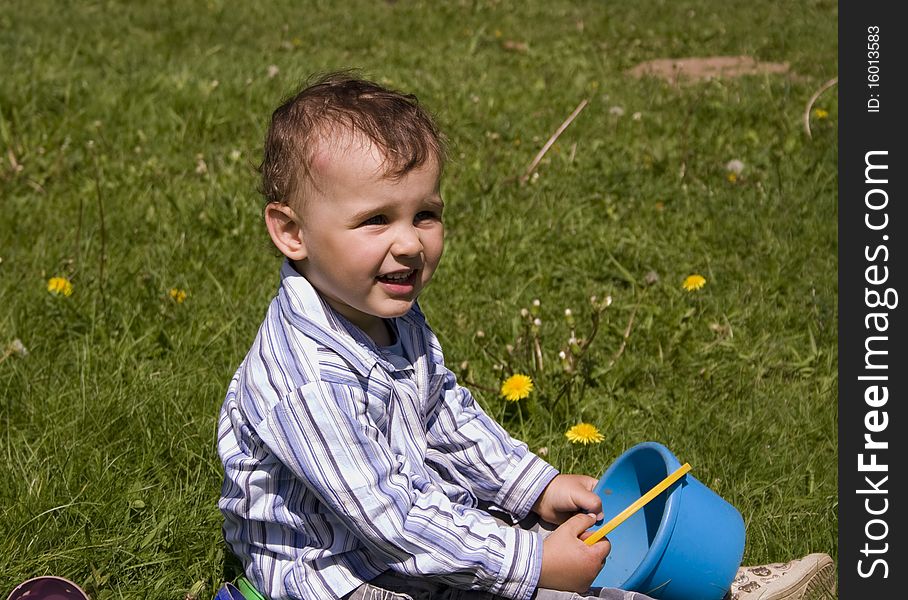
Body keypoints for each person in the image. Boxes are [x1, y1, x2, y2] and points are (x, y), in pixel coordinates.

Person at [216, 71, 836, 600]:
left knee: (578, 548)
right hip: (338, 577)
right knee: (538, 570)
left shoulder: (381, 312)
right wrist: (533, 561)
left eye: (424, 214)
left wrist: (533, 489)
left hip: (404, 541)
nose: (409, 243)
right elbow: (394, 523)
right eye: (375, 220)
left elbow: (446, 418)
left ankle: (702, 585)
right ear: (291, 232)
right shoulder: (304, 381)